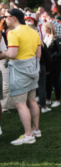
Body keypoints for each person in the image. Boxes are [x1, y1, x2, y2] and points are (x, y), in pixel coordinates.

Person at [1, 8, 42, 145]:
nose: (4, 18)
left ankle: (28, 135)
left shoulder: (13, 33)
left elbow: (12, 54)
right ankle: (36, 130)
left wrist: (3, 53)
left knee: (20, 104)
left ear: (14, 18)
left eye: (6, 16)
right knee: (32, 101)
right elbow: (38, 54)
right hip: (33, 68)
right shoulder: (33, 31)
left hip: (19, 70)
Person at [42, 22, 61, 109]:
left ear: (49, 28)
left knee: (55, 81)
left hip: (55, 63)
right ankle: (48, 98)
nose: (43, 30)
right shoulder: (46, 38)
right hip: (47, 64)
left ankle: (58, 99)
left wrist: (51, 57)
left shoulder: (56, 39)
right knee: (47, 81)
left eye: (45, 28)